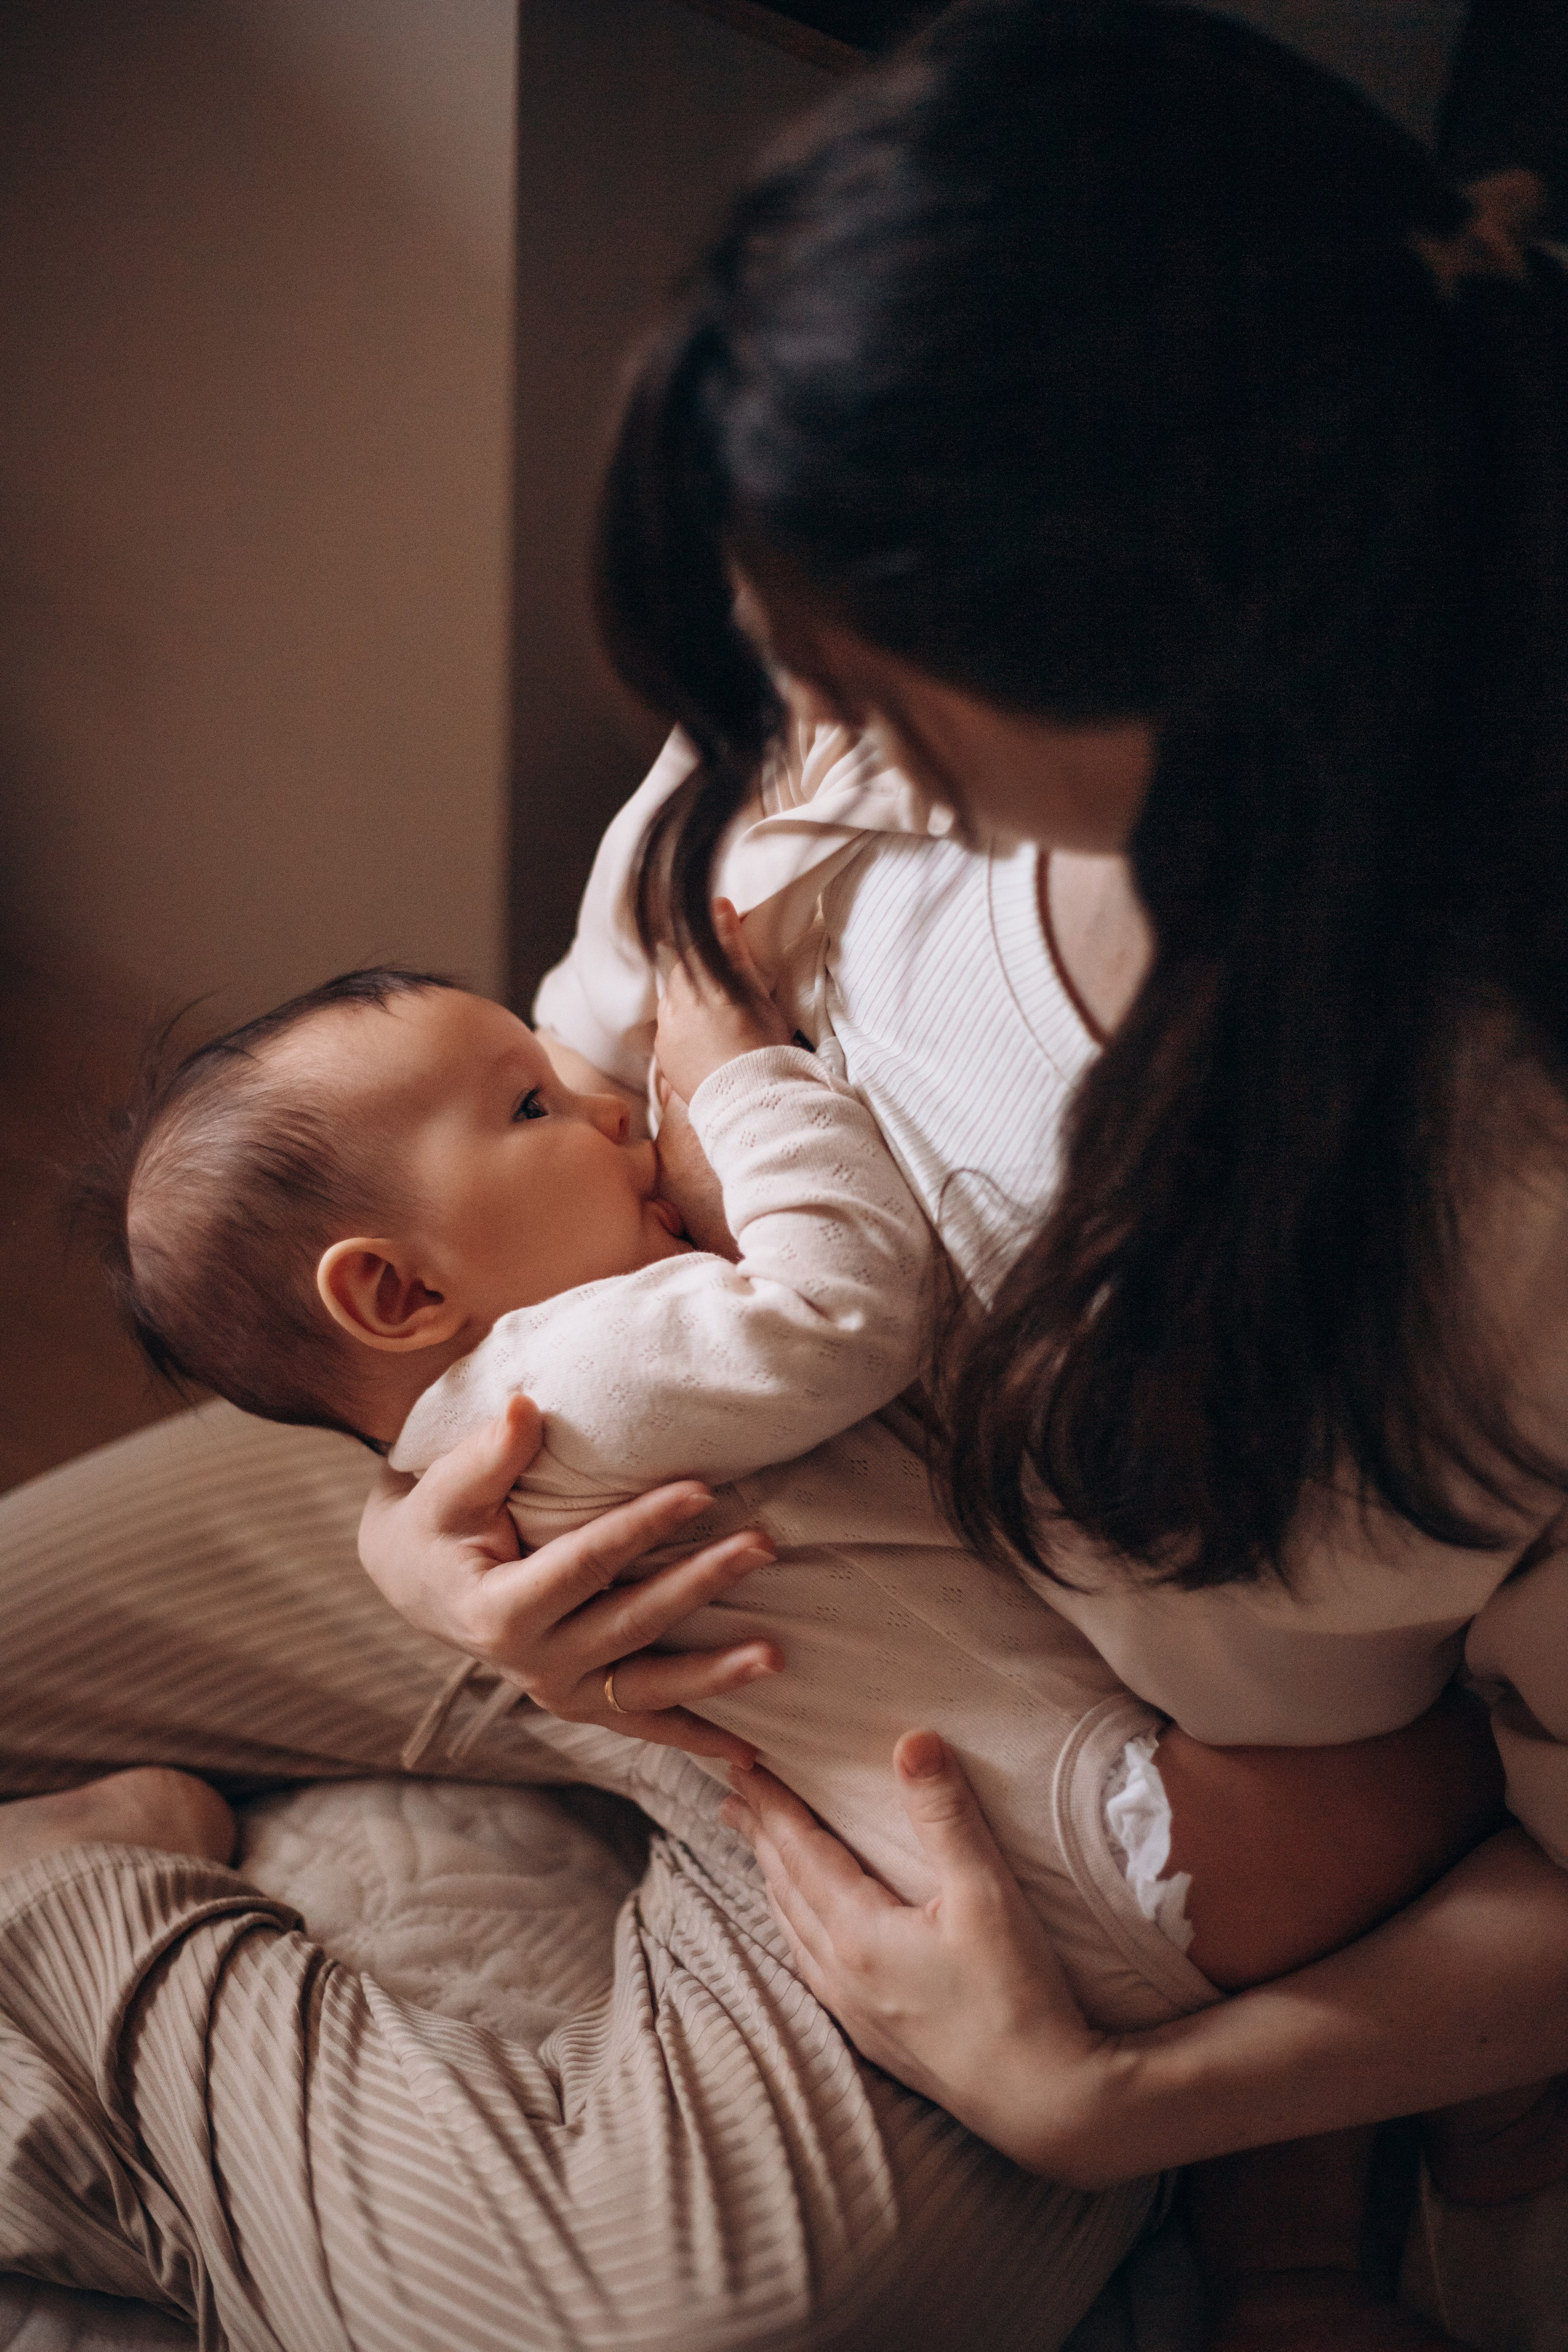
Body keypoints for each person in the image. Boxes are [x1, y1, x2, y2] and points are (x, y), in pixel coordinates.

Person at [0, 5, 1562, 2348]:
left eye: (841, 643)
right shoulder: (815, 740)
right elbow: (533, 1130)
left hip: (982, 1803)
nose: (762, 688)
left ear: (1173, 642)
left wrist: (1114, 2106)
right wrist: (430, 1552)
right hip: (627, 1524)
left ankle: (82, 1916)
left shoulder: (1491, 1192)